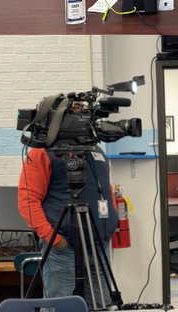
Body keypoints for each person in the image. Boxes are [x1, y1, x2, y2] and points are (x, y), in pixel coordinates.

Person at [18, 99, 116, 307]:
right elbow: (27, 199)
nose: (79, 115)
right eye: (73, 109)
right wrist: (52, 238)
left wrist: (111, 223)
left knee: (102, 305)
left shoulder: (95, 149)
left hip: (100, 242)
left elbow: (106, 190)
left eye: (81, 109)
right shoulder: (42, 150)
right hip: (64, 246)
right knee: (59, 306)